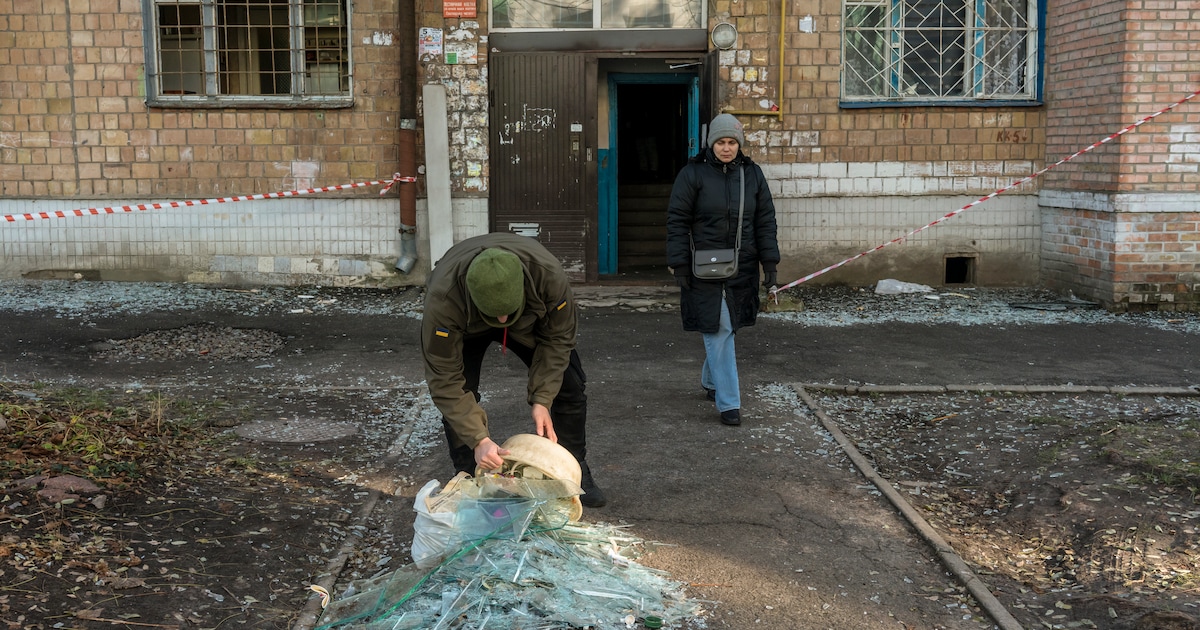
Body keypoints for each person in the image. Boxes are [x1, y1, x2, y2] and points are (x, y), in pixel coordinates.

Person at [420, 232, 606, 507]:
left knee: (569, 385)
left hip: (527, 318)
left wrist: (542, 399)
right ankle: (469, 476)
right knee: (462, 392)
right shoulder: (443, 300)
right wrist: (478, 439)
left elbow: (558, 340)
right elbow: (444, 379)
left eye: (506, 313)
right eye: (495, 315)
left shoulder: (548, 277)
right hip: (468, 323)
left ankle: (573, 471)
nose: (502, 320)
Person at [665, 113, 780, 426]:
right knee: (719, 327)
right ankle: (729, 404)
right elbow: (677, 221)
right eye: (720, 142)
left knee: (729, 326)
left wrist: (769, 264)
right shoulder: (692, 174)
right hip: (702, 267)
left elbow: (765, 221)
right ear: (710, 143)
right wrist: (679, 264)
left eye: (731, 142)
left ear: (739, 144)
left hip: (743, 266)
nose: (726, 148)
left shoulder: (752, 174)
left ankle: (711, 380)